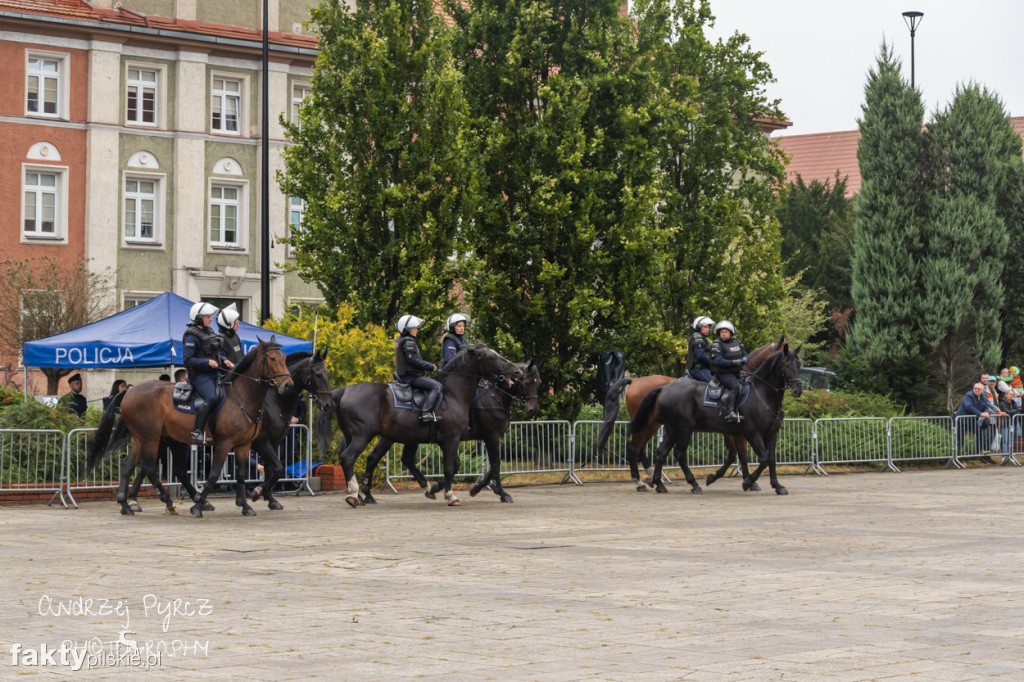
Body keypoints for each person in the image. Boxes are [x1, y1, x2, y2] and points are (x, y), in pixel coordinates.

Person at [182, 301, 232, 444]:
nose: (211, 319)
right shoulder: (191, 336)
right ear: (198, 318)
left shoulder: (209, 331)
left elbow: (215, 352)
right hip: (199, 375)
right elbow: (187, 360)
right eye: (207, 317)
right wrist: (207, 362)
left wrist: (224, 359)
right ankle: (197, 431)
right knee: (211, 397)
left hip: (213, 373)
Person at [395, 314, 442, 422]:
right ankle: (425, 412)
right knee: (437, 386)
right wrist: (430, 366)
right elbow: (412, 360)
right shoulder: (408, 341)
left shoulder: (401, 339)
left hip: (407, 375)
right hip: (412, 377)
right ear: (407, 329)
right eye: (414, 328)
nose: (416, 330)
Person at [709, 320, 748, 423]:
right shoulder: (717, 344)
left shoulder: (736, 342)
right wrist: (734, 362)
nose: (724, 333)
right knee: (735, 386)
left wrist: (745, 359)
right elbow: (718, 360)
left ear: (730, 332)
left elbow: (744, 353)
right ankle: (730, 412)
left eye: (726, 331)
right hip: (723, 374)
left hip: (737, 372)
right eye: (722, 332)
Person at [956, 383, 993, 460]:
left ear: (982, 390)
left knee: (980, 432)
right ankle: (960, 457)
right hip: (961, 420)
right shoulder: (969, 395)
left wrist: (987, 413)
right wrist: (981, 414)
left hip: (972, 420)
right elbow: (969, 406)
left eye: (978, 389)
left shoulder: (984, 396)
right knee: (960, 439)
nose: (976, 390)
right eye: (975, 388)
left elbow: (986, 407)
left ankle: (979, 450)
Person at [686, 315, 715, 382]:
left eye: (708, 327)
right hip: (698, 369)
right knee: (715, 383)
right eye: (705, 327)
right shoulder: (697, 337)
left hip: (705, 368)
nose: (707, 329)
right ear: (699, 328)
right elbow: (700, 355)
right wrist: (714, 362)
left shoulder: (702, 338)